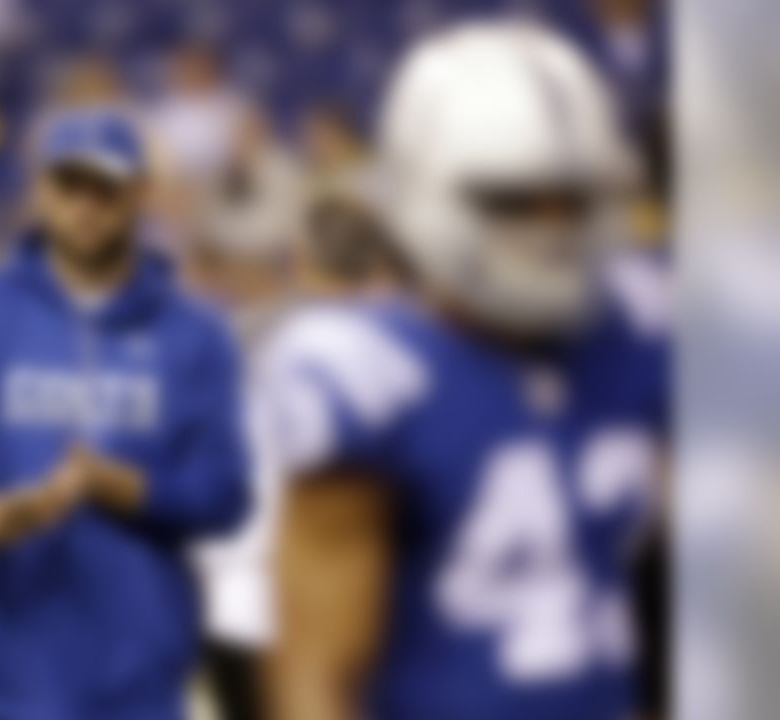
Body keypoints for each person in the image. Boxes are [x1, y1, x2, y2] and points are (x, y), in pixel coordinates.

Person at [265, 22, 668, 720]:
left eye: (571, 198)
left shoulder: (640, 332)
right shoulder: (372, 374)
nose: (550, 229)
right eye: (514, 201)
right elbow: (318, 678)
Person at [0, 107, 250, 719]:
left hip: (133, 683)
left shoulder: (196, 333)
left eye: (106, 187)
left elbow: (226, 496)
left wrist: (133, 490)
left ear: (141, 193)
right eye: (69, 185)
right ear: (39, 191)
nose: (86, 205)